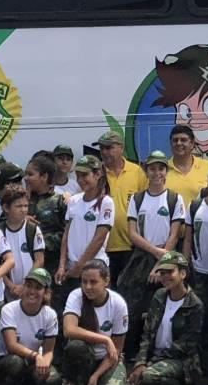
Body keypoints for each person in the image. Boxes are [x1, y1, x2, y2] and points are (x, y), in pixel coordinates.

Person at [128, 252, 201, 385]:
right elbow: (147, 334)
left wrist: (150, 364)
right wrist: (140, 363)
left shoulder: (194, 304)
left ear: (183, 274)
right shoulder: (159, 296)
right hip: (155, 360)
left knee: (150, 376)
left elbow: (185, 345)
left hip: (180, 361)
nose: (165, 277)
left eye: (170, 272)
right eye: (162, 273)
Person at [60, 259, 132, 385]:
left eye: (93, 282)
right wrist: (105, 340)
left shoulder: (118, 304)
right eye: (84, 282)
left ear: (106, 281)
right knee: (76, 347)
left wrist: (96, 375)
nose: (88, 287)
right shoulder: (76, 296)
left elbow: (117, 348)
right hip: (85, 358)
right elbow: (69, 329)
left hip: (108, 360)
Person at [0, 268, 59, 385]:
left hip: (33, 362)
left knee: (53, 377)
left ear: (46, 292)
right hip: (7, 361)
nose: (32, 291)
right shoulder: (9, 309)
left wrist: (45, 364)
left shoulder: (50, 315)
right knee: (16, 362)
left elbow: (49, 350)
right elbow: (11, 345)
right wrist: (36, 356)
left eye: (38, 288)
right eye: (29, 286)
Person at [120, 151, 184, 313]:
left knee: (164, 308)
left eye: (161, 169)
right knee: (136, 309)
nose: (157, 173)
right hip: (141, 259)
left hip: (166, 259)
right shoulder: (136, 199)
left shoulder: (175, 199)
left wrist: (160, 264)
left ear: (166, 171)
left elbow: (174, 235)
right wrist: (156, 252)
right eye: (152, 169)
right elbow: (133, 234)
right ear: (146, 171)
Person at [57, 157, 115, 304]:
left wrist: (80, 266)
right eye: (78, 176)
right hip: (72, 269)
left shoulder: (106, 202)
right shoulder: (74, 200)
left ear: (97, 174)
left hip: (95, 268)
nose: (80, 180)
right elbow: (66, 235)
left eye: (85, 175)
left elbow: (99, 238)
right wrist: (62, 265)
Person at [97, 131, 147, 284]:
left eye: (109, 148)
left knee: (130, 290)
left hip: (131, 245)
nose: (104, 152)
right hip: (102, 246)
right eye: (102, 148)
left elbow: (145, 204)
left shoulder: (136, 172)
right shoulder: (96, 173)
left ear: (121, 148)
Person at [165, 124, 208, 208]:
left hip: (198, 216)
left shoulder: (207, 166)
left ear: (192, 143)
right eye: (175, 140)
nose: (178, 143)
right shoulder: (162, 169)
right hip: (170, 216)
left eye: (183, 140)